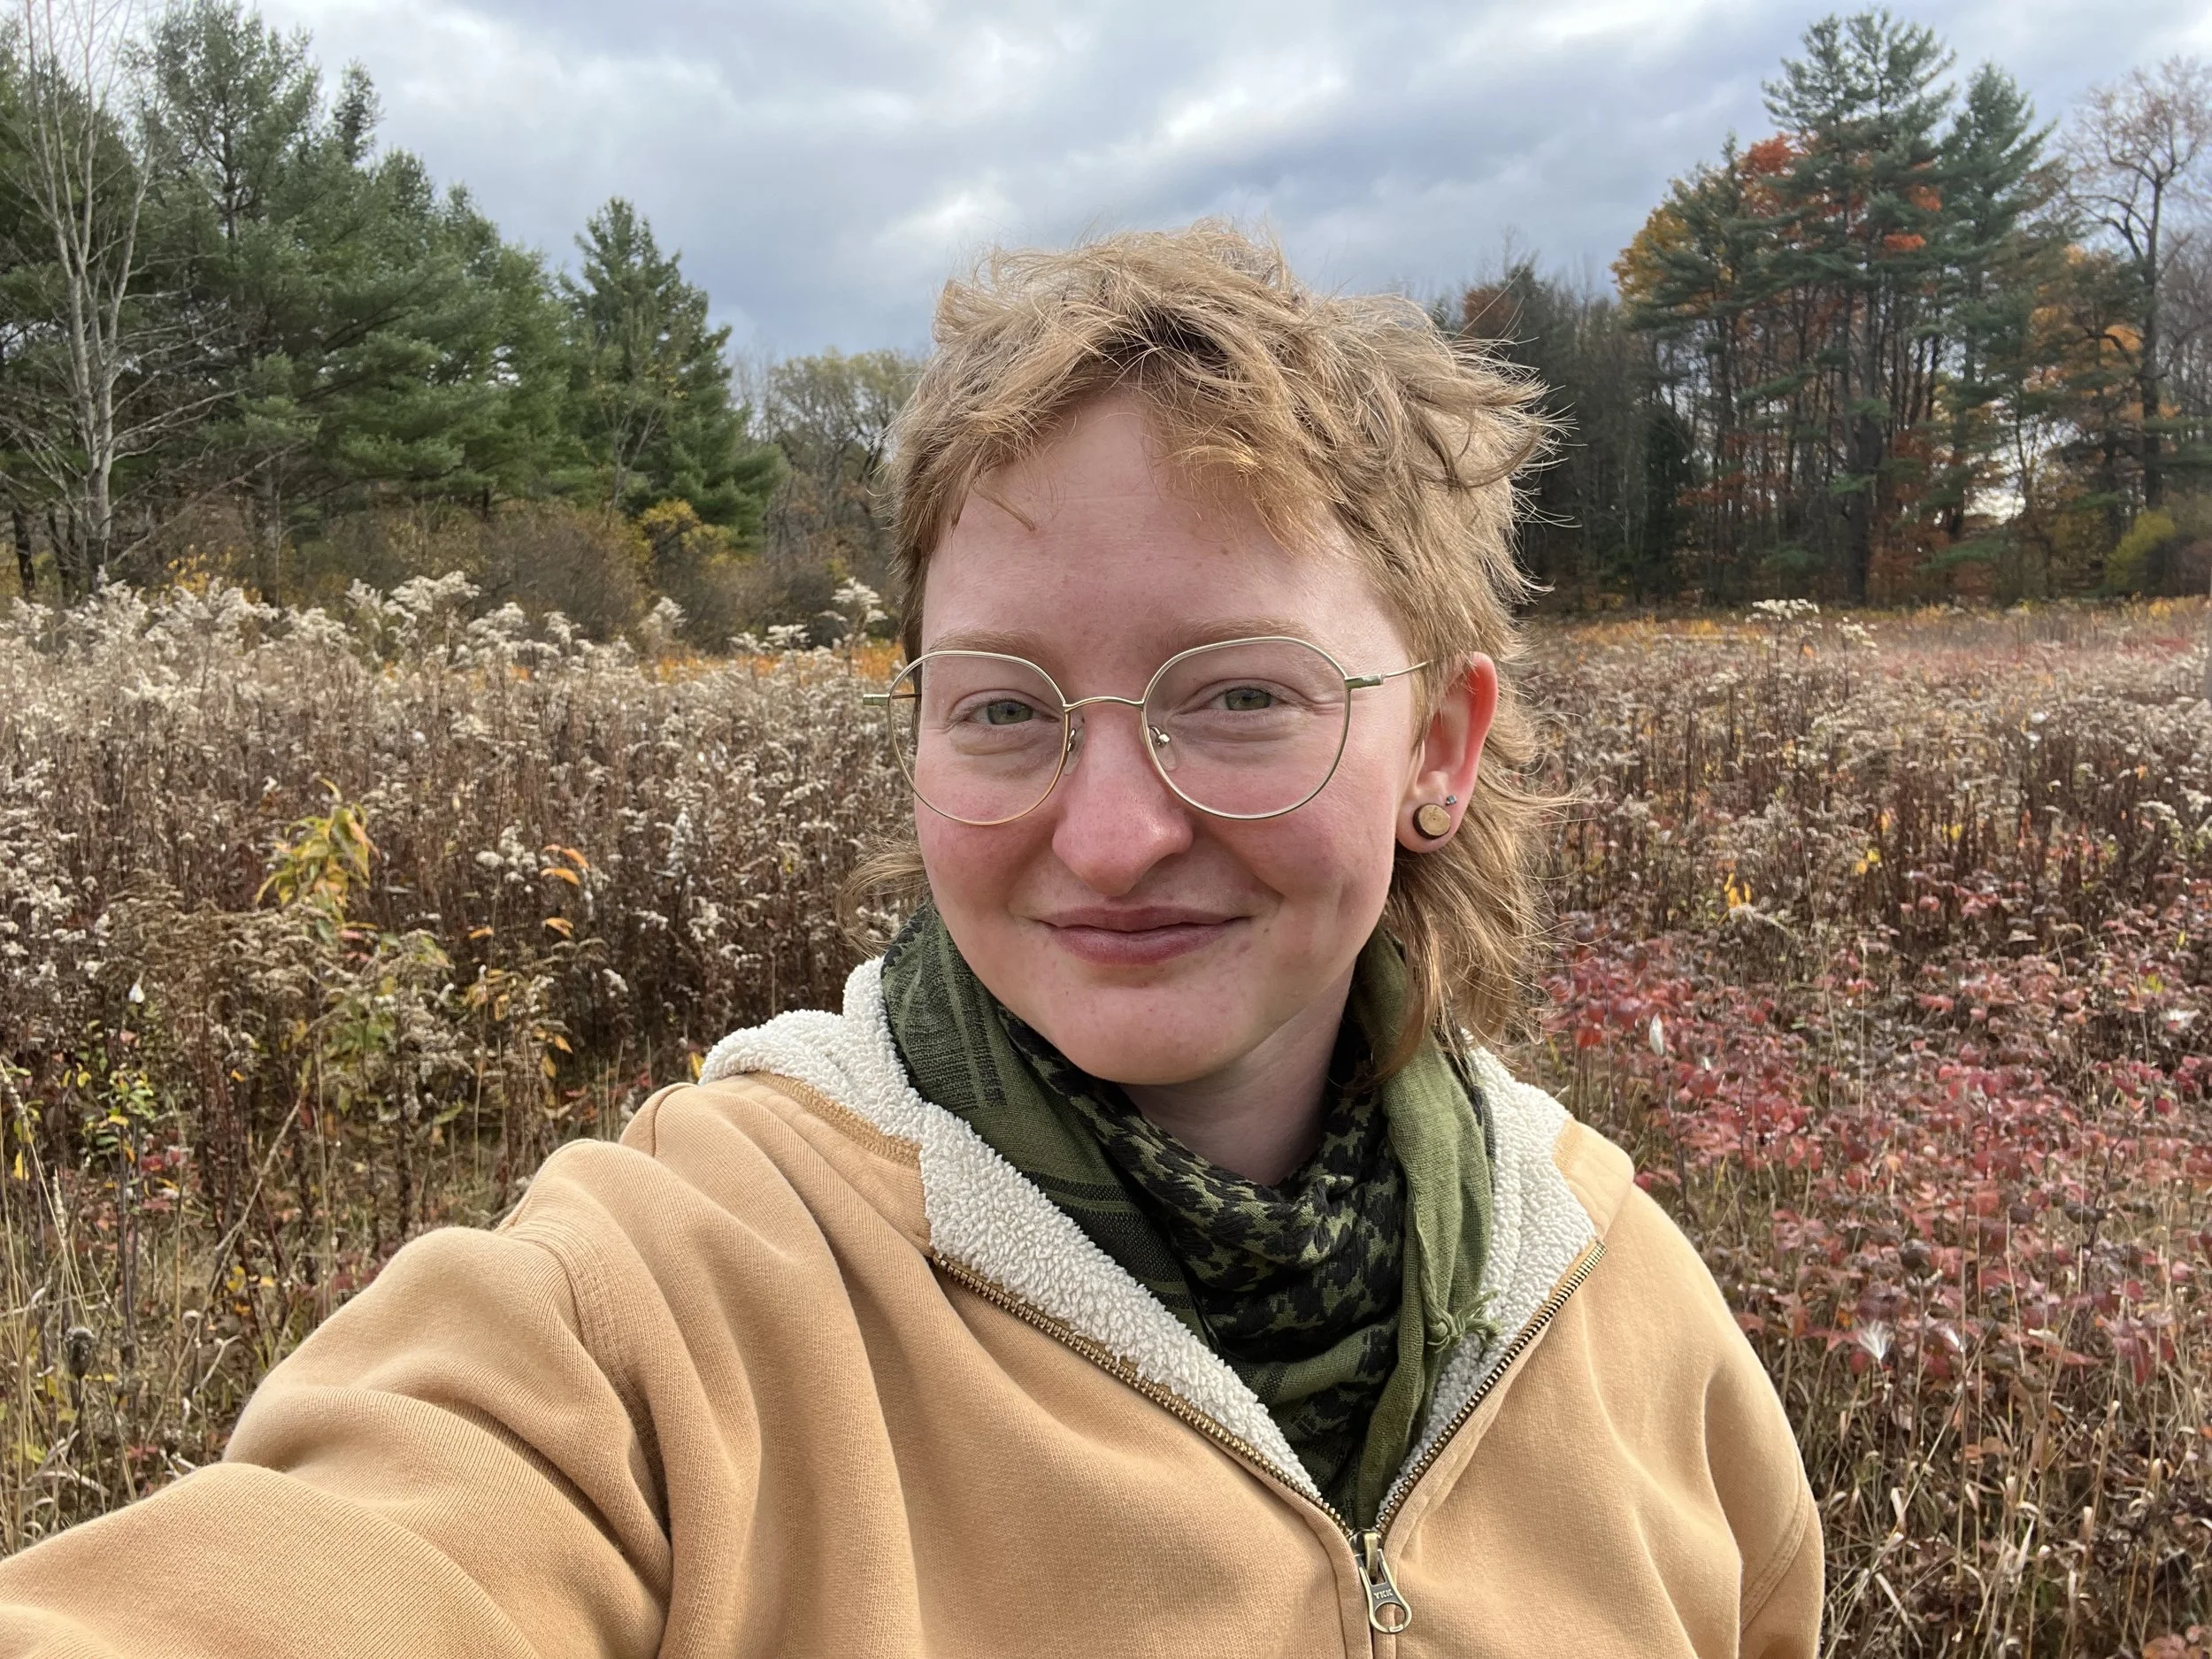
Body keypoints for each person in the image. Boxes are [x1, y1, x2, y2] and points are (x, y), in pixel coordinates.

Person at [0, 222, 1820, 1656]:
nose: (1110, 836)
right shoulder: (667, 1312)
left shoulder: (1622, 1310)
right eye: (1004, 708)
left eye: (1240, 695)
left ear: (1438, 746)